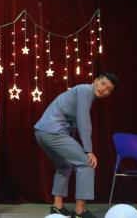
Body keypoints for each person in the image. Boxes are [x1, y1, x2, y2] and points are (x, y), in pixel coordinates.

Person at [34, 72, 118, 218]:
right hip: (53, 131)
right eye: (103, 84)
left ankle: (57, 207)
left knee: (64, 165)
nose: (104, 89)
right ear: (95, 80)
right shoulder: (86, 90)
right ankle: (80, 212)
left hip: (42, 132)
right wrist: (88, 150)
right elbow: (83, 120)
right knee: (87, 163)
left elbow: (72, 122)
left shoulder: (82, 91)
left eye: (109, 89)